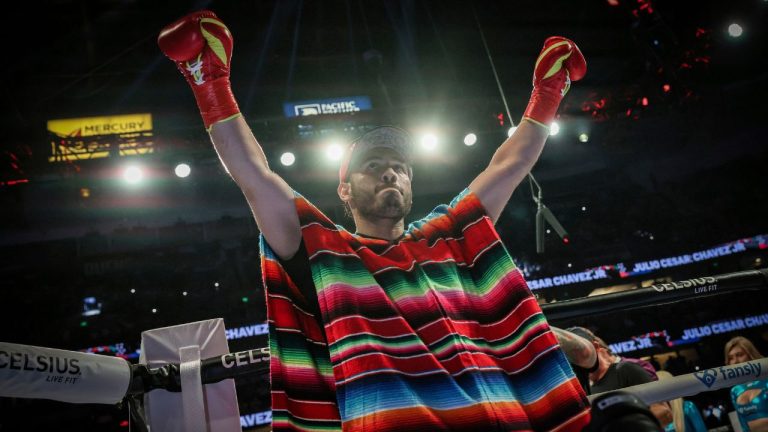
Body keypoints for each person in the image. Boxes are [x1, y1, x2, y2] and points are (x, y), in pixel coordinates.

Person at [158, 10, 590, 431]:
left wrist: (548, 91)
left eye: (400, 167)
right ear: (344, 191)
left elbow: (509, 165)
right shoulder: (329, 255)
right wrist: (210, 82)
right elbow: (254, 176)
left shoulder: (446, 235)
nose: (390, 173)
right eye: (373, 166)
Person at [567, 326, 673, 426]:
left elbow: (664, 413)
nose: (576, 356)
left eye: (580, 350)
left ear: (595, 346)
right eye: (570, 353)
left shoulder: (627, 369)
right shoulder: (582, 387)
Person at [725, 336, 768, 432]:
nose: (735, 361)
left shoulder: (766, 381)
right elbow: (743, 425)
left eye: (739, 355)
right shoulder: (735, 390)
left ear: (750, 354)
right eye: (731, 358)